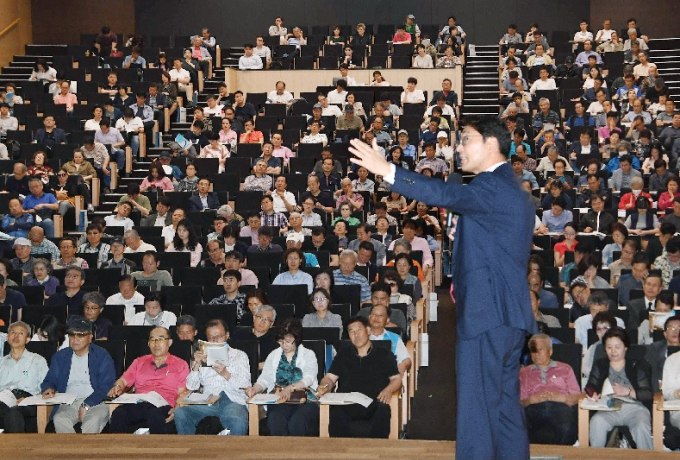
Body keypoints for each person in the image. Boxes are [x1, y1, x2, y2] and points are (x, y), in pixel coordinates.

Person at [350, 115, 535, 456]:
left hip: (487, 314)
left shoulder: (491, 186)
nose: (459, 147)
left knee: (477, 411)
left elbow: (444, 193)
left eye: (466, 140)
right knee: (504, 410)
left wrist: (386, 169)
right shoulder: (509, 188)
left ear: (491, 145)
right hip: (508, 317)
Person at [316, 316, 401, 438]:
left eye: (359, 329)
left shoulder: (384, 354)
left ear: (368, 330)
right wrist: (325, 386)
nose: (356, 334)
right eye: (351, 331)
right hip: (347, 402)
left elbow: (396, 379)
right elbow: (329, 378)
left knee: (383, 410)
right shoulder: (343, 354)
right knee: (336, 412)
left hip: (374, 402)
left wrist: (388, 390)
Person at [40, 315, 116, 434]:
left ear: (90, 337)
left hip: (97, 401)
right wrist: (48, 388)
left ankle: (85, 452)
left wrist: (87, 404)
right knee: (59, 419)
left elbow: (106, 385)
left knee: (92, 421)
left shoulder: (102, 356)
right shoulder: (60, 357)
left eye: (80, 335)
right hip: (70, 402)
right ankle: (71, 451)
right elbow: (49, 380)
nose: (75, 339)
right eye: (72, 335)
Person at [174, 318, 250, 435]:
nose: (214, 341)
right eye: (210, 338)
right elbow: (191, 386)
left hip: (233, 400)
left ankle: (235, 453)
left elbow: (245, 384)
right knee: (180, 413)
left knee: (237, 420)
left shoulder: (240, 355)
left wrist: (226, 374)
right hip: (209, 401)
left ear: (226, 336)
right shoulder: (202, 356)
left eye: (218, 336)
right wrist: (196, 365)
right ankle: (190, 450)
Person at [244, 318, 319, 436]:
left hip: (305, 399)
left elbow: (309, 378)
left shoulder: (308, 354)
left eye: (288, 342)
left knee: (297, 421)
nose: (284, 345)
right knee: (275, 419)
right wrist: (255, 389)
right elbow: (265, 378)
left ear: (297, 339)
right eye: (281, 341)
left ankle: (298, 453)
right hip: (279, 398)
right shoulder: (274, 355)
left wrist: (291, 387)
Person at [108, 326, 189, 434]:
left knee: (154, 414)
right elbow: (123, 381)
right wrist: (117, 387)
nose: (156, 343)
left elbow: (182, 392)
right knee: (119, 413)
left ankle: (157, 449)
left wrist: (178, 408)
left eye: (160, 339)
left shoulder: (180, 364)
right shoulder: (139, 362)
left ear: (169, 342)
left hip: (163, 405)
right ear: (148, 343)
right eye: (152, 340)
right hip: (139, 402)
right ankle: (119, 449)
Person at [585, 328, 653, 449]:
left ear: (625, 347)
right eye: (609, 347)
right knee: (597, 422)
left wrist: (628, 391)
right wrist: (592, 394)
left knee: (641, 425)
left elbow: (648, 394)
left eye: (617, 347)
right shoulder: (600, 364)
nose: (613, 351)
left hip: (635, 408)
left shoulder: (637, 364)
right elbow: (591, 386)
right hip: (609, 408)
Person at [520, 334, 580, 445]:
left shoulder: (565, 369)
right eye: (533, 350)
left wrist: (562, 398)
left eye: (541, 349)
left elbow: (577, 396)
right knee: (521, 425)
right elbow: (520, 402)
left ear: (550, 351)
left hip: (560, 406)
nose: (536, 354)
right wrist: (531, 400)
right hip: (533, 408)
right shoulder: (524, 373)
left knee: (566, 425)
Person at [0, 320, 48, 433]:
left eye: (21, 333)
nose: (16, 336)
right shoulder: (1, 362)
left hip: (28, 400)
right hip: (3, 399)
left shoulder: (38, 360)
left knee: (13, 412)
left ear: (28, 339)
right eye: (13, 332)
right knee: (9, 411)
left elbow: (46, 388)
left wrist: (29, 399)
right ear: (7, 337)